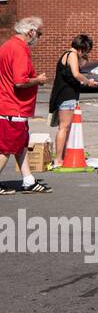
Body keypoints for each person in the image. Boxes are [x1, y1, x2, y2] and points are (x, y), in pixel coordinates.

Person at [0, 18, 49, 192]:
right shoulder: (20, 49)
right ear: (31, 32)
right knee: (6, 148)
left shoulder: (7, 46)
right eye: (39, 33)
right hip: (14, 107)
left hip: (9, 105)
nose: (39, 37)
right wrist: (38, 80)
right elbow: (20, 82)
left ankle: (28, 180)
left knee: (20, 145)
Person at [49, 35, 98, 168]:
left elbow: (73, 72)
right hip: (67, 96)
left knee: (65, 128)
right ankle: (58, 159)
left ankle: (62, 156)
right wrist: (88, 82)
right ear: (82, 48)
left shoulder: (67, 54)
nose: (86, 54)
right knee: (64, 128)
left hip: (63, 95)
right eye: (86, 50)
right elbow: (76, 74)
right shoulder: (72, 54)